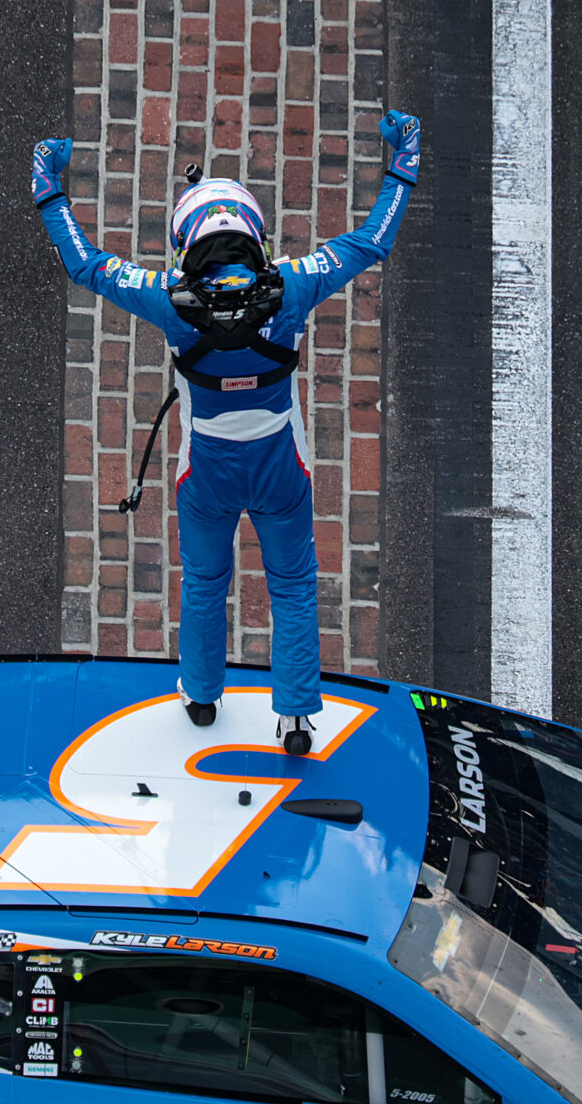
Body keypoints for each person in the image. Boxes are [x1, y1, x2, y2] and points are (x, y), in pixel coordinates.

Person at [32, 111, 420, 754]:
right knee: (293, 582)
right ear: (258, 239)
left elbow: (86, 265)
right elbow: (371, 242)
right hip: (279, 466)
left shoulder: (164, 297)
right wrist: (403, 163)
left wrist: (48, 186)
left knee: (206, 583)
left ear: (186, 246)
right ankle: (295, 716)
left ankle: (202, 696)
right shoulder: (293, 286)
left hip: (205, 473)